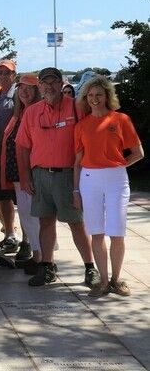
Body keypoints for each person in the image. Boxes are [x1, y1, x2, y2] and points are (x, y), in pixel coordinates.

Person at [16, 67, 99, 288]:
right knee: (45, 222)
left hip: (68, 176)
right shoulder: (32, 112)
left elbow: (91, 139)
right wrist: (25, 177)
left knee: (76, 222)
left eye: (54, 82)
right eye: (45, 83)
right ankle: (47, 266)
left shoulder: (77, 107)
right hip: (41, 175)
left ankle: (90, 268)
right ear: (39, 86)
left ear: (61, 84)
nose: (49, 87)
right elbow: (23, 146)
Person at [74, 75, 144, 297]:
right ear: (86, 98)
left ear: (107, 96)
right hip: (89, 180)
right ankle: (102, 281)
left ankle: (116, 279)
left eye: (99, 95)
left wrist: (118, 165)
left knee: (117, 232)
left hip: (116, 180)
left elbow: (138, 153)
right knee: (96, 231)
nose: (95, 99)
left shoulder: (121, 120)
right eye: (91, 95)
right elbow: (77, 162)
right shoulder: (81, 126)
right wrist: (76, 190)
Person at [1, 74, 44, 274]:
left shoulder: (38, 112)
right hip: (18, 174)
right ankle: (37, 255)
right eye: (21, 88)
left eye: (30, 88)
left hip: (30, 174)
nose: (25, 92)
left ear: (37, 91)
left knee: (36, 218)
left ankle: (43, 258)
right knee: (27, 217)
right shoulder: (19, 113)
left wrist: (28, 175)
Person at [0, 60, 19, 255]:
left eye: (7, 73)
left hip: (15, 157)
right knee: (1, 197)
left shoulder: (18, 95)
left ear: (14, 75)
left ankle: (26, 239)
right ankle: (9, 234)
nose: (2, 76)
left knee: (19, 200)